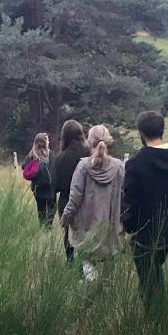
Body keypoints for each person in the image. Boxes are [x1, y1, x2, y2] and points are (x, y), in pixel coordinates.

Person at [121, 111, 168, 301]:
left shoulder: (135, 164)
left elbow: (130, 200)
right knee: (153, 273)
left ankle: (155, 319)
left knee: (148, 281)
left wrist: (128, 226)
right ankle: (156, 313)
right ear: (162, 130)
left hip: (143, 233)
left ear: (141, 133)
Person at [61, 124, 124, 282]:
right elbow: (125, 197)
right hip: (110, 229)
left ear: (89, 141)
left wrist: (66, 217)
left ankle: (89, 294)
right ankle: (106, 298)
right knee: (109, 280)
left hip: (86, 229)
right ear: (108, 141)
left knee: (88, 272)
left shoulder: (82, 166)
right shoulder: (119, 167)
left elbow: (74, 198)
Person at [52, 120, 90, 260]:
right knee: (86, 235)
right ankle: (86, 266)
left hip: (66, 201)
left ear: (65, 136)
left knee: (69, 235)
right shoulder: (90, 154)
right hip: (88, 201)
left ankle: (70, 264)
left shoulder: (60, 158)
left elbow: (55, 186)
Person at [21, 132, 56, 225]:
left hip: (37, 189)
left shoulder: (31, 155)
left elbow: (23, 166)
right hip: (50, 189)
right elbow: (54, 169)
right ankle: (48, 228)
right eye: (47, 139)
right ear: (45, 142)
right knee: (51, 210)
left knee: (41, 210)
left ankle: (42, 227)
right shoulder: (50, 154)